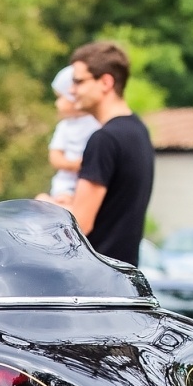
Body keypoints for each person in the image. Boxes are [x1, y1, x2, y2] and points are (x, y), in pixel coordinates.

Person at [66, 41, 155, 265]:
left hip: (97, 282)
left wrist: (46, 207)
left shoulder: (104, 139)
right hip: (124, 279)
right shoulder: (138, 131)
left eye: (78, 81)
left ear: (105, 82)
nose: (71, 90)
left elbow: (81, 224)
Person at [44, 66, 100, 206]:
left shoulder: (96, 123)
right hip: (65, 185)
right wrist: (74, 165)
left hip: (89, 185)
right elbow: (55, 156)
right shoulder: (65, 126)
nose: (57, 103)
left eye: (60, 98)